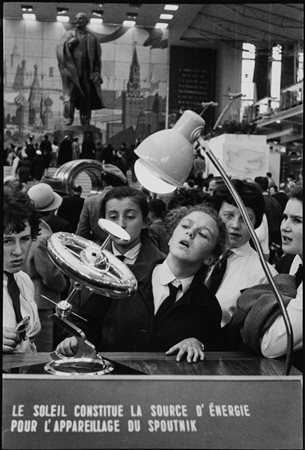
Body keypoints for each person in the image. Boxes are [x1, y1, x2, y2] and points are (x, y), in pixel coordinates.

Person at [55, 204, 227, 361]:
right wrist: (75, 340)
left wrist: (198, 343)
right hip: (112, 384)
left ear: (210, 258)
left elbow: (214, 354)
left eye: (203, 234)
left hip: (166, 389)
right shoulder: (123, 278)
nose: (190, 233)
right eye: (185, 226)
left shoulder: (208, 306)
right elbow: (87, 324)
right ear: (170, 238)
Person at [230, 183, 303, 371]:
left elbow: (271, 345)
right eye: (285, 218)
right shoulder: (288, 262)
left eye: (297, 221)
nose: (285, 227)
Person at [207, 179, 278, 349]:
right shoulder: (198, 256)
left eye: (246, 218)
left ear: (256, 224)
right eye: (228, 215)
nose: (235, 225)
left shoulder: (265, 275)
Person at [23, 184, 68, 352]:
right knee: (41, 353)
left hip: (23, 295)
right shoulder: (43, 236)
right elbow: (50, 275)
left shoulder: (23, 228)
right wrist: (63, 285)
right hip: (41, 300)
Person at [3, 183, 41, 353]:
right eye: (7, 241)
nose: (18, 251)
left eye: (25, 239)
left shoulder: (24, 281)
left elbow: (28, 344)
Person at [56, 12, 104, 126]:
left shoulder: (92, 38)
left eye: (81, 19)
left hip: (87, 70)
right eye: (76, 19)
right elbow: (59, 49)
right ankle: (68, 117)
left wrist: (96, 72)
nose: (78, 21)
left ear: (86, 21)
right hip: (73, 70)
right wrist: (69, 45)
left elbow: (97, 57)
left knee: (86, 95)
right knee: (70, 95)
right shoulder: (69, 35)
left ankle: (85, 118)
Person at [76, 164, 127, 244]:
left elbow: (81, 233)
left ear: (103, 182)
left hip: (99, 250)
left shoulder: (90, 201)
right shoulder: (129, 200)